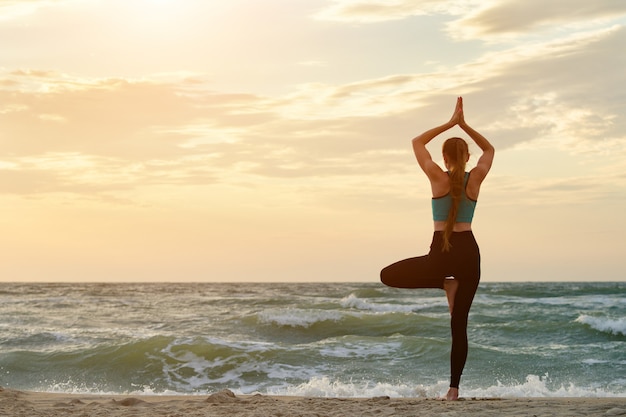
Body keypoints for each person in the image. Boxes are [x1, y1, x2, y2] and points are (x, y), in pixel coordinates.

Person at [380, 97, 495, 401]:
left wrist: (450, 122)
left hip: (440, 253)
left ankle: (443, 282)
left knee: (387, 275)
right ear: (467, 157)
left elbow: (417, 141)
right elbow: (490, 150)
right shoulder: (476, 179)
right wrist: (465, 125)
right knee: (460, 326)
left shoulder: (437, 177)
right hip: (469, 252)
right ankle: (453, 390)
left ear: (444, 158)